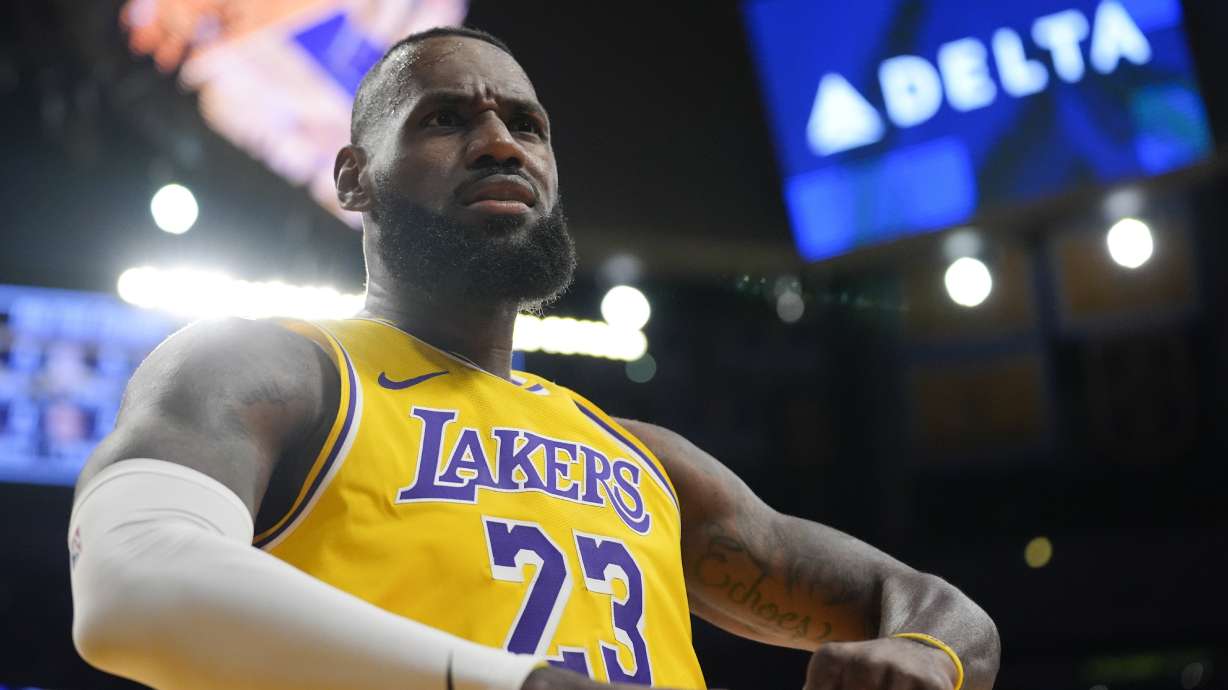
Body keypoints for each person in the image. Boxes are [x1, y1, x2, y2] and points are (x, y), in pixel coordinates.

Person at [67, 26, 1000, 690]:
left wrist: (927, 654)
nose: (500, 142)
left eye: (528, 123)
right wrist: (516, 685)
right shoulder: (271, 368)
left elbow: (932, 605)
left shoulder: (647, 459)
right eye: (444, 119)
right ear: (353, 174)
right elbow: (131, 585)